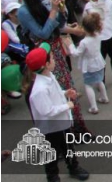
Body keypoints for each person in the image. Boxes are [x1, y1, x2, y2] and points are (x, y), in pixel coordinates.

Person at [17, 0, 90, 134]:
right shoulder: (23, 11)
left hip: (56, 48)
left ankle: (78, 128)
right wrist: (53, 11)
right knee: (56, 90)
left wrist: (62, 9)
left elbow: (58, 24)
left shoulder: (43, 1)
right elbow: (42, 33)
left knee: (67, 86)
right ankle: (66, 132)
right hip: (43, 52)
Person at [23, 48, 90, 181]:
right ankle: (52, 176)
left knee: (68, 146)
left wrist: (65, 93)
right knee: (51, 153)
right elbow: (47, 111)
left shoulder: (49, 76)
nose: (54, 61)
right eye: (52, 59)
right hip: (51, 128)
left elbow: (56, 93)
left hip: (62, 122)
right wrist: (67, 105)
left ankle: (73, 167)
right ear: (46, 65)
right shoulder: (39, 90)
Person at [65, 11, 109, 114]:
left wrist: (70, 45)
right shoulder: (98, 35)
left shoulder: (84, 42)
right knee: (99, 80)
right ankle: (104, 97)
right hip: (99, 62)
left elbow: (76, 53)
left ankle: (94, 107)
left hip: (89, 65)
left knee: (88, 84)